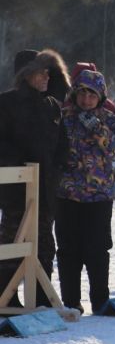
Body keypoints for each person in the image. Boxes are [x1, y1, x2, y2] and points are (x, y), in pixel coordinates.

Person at [0, 49, 70, 309]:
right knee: (12, 245)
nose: (46, 77)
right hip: (16, 192)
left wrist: (57, 169)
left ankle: (42, 298)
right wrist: (20, 167)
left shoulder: (52, 105)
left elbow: (63, 144)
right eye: (41, 72)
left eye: (48, 72)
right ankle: (7, 299)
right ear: (26, 74)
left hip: (45, 192)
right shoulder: (5, 103)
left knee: (44, 247)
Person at [55, 70, 115, 314]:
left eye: (92, 95)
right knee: (68, 251)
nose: (86, 100)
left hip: (99, 196)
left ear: (101, 96)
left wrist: (97, 128)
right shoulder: (63, 118)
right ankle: (71, 302)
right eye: (82, 93)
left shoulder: (110, 120)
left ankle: (100, 300)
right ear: (75, 93)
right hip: (68, 195)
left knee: (97, 250)